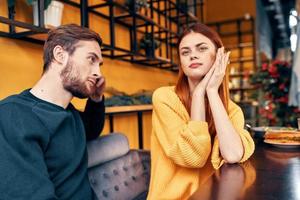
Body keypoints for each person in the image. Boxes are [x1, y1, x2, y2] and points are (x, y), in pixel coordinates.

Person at [147, 23, 255, 200]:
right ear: (181, 62)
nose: (193, 55)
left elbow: (233, 154)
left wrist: (211, 92)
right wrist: (198, 95)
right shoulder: (164, 98)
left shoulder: (232, 110)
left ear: (219, 56)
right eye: (185, 52)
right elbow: (194, 158)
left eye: (201, 48)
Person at [0, 24, 106, 199]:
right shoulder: (12, 116)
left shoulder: (69, 114)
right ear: (60, 55)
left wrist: (96, 98)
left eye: (100, 65)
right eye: (91, 59)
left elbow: (92, 129)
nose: (98, 73)